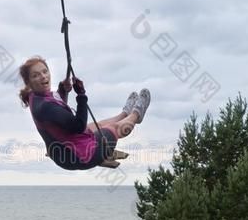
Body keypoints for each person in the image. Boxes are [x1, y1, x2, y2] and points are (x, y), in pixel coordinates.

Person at [18, 56, 150, 170]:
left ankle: (124, 115)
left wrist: (62, 90)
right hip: (80, 156)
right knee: (113, 129)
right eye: (36, 75)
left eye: (45, 71)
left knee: (94, 126)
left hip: (62, 150)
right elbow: (79, 125)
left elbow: (57, 114)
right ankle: (136, 115)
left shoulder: (36, 96)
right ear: (29, 82)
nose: (43, 76)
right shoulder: (45, 107)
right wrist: (81, 95)